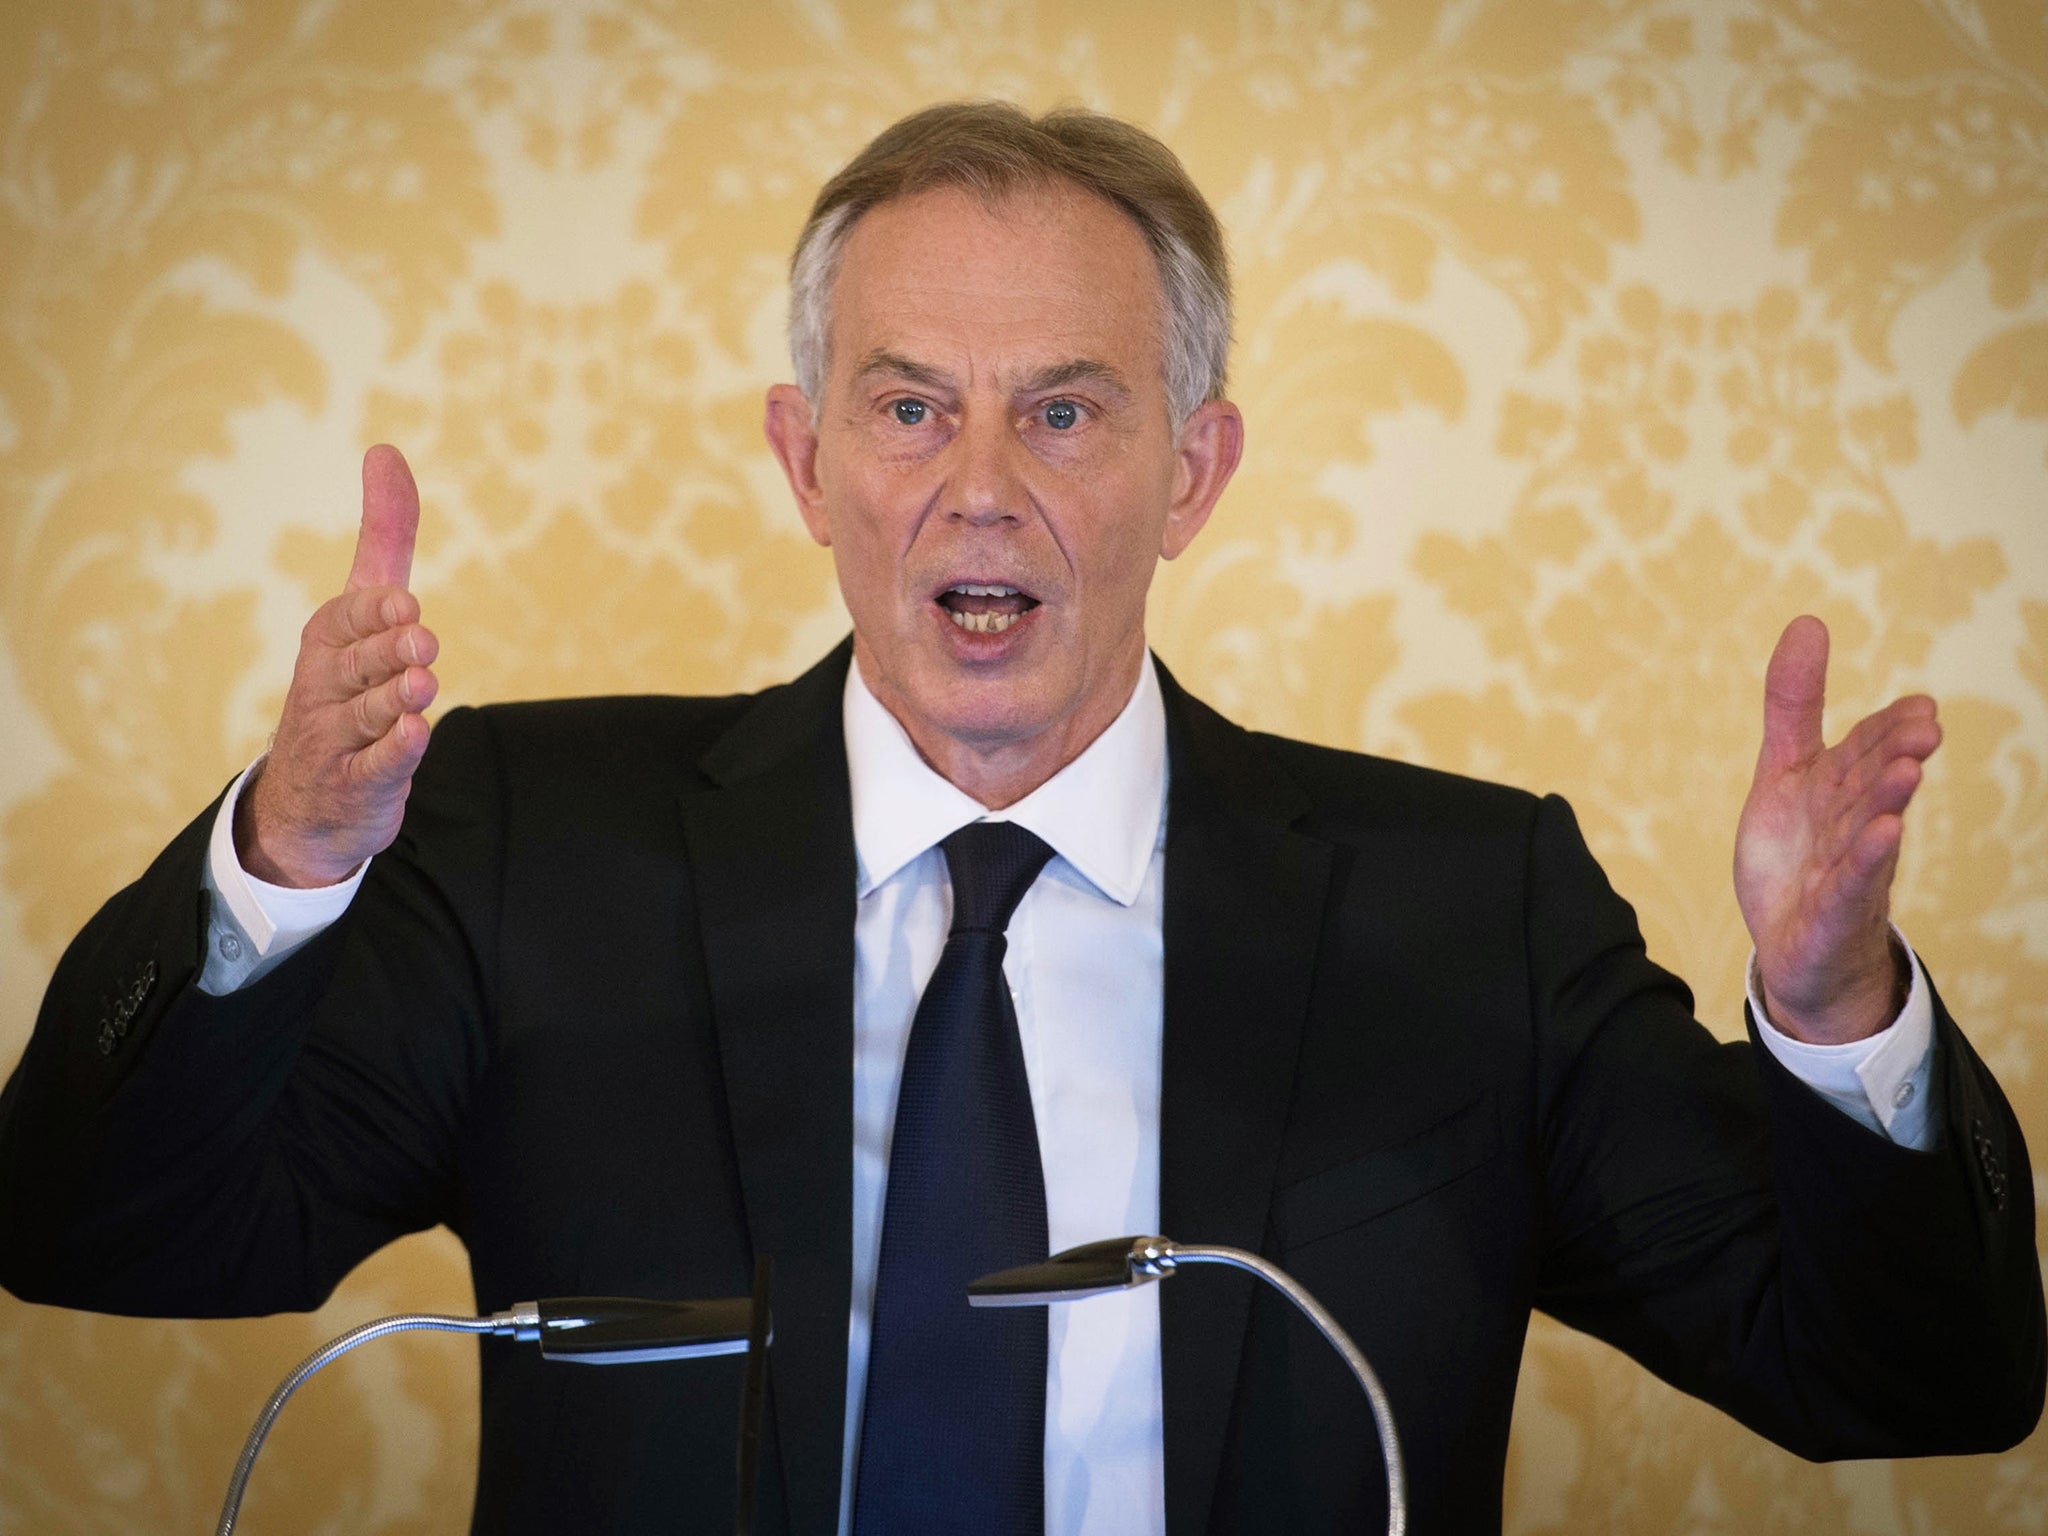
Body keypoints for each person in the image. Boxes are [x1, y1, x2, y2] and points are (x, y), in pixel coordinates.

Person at [0, 102, 2038, 1536]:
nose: (980, 484)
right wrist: (285, 860)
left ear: (1195, 468)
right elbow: (115, 1235)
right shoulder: (540, 840)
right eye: (907, 407)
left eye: (1064, 409)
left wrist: (1833, 997)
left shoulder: (1461, 906)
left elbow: (1902, 1383)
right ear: (806, 462)